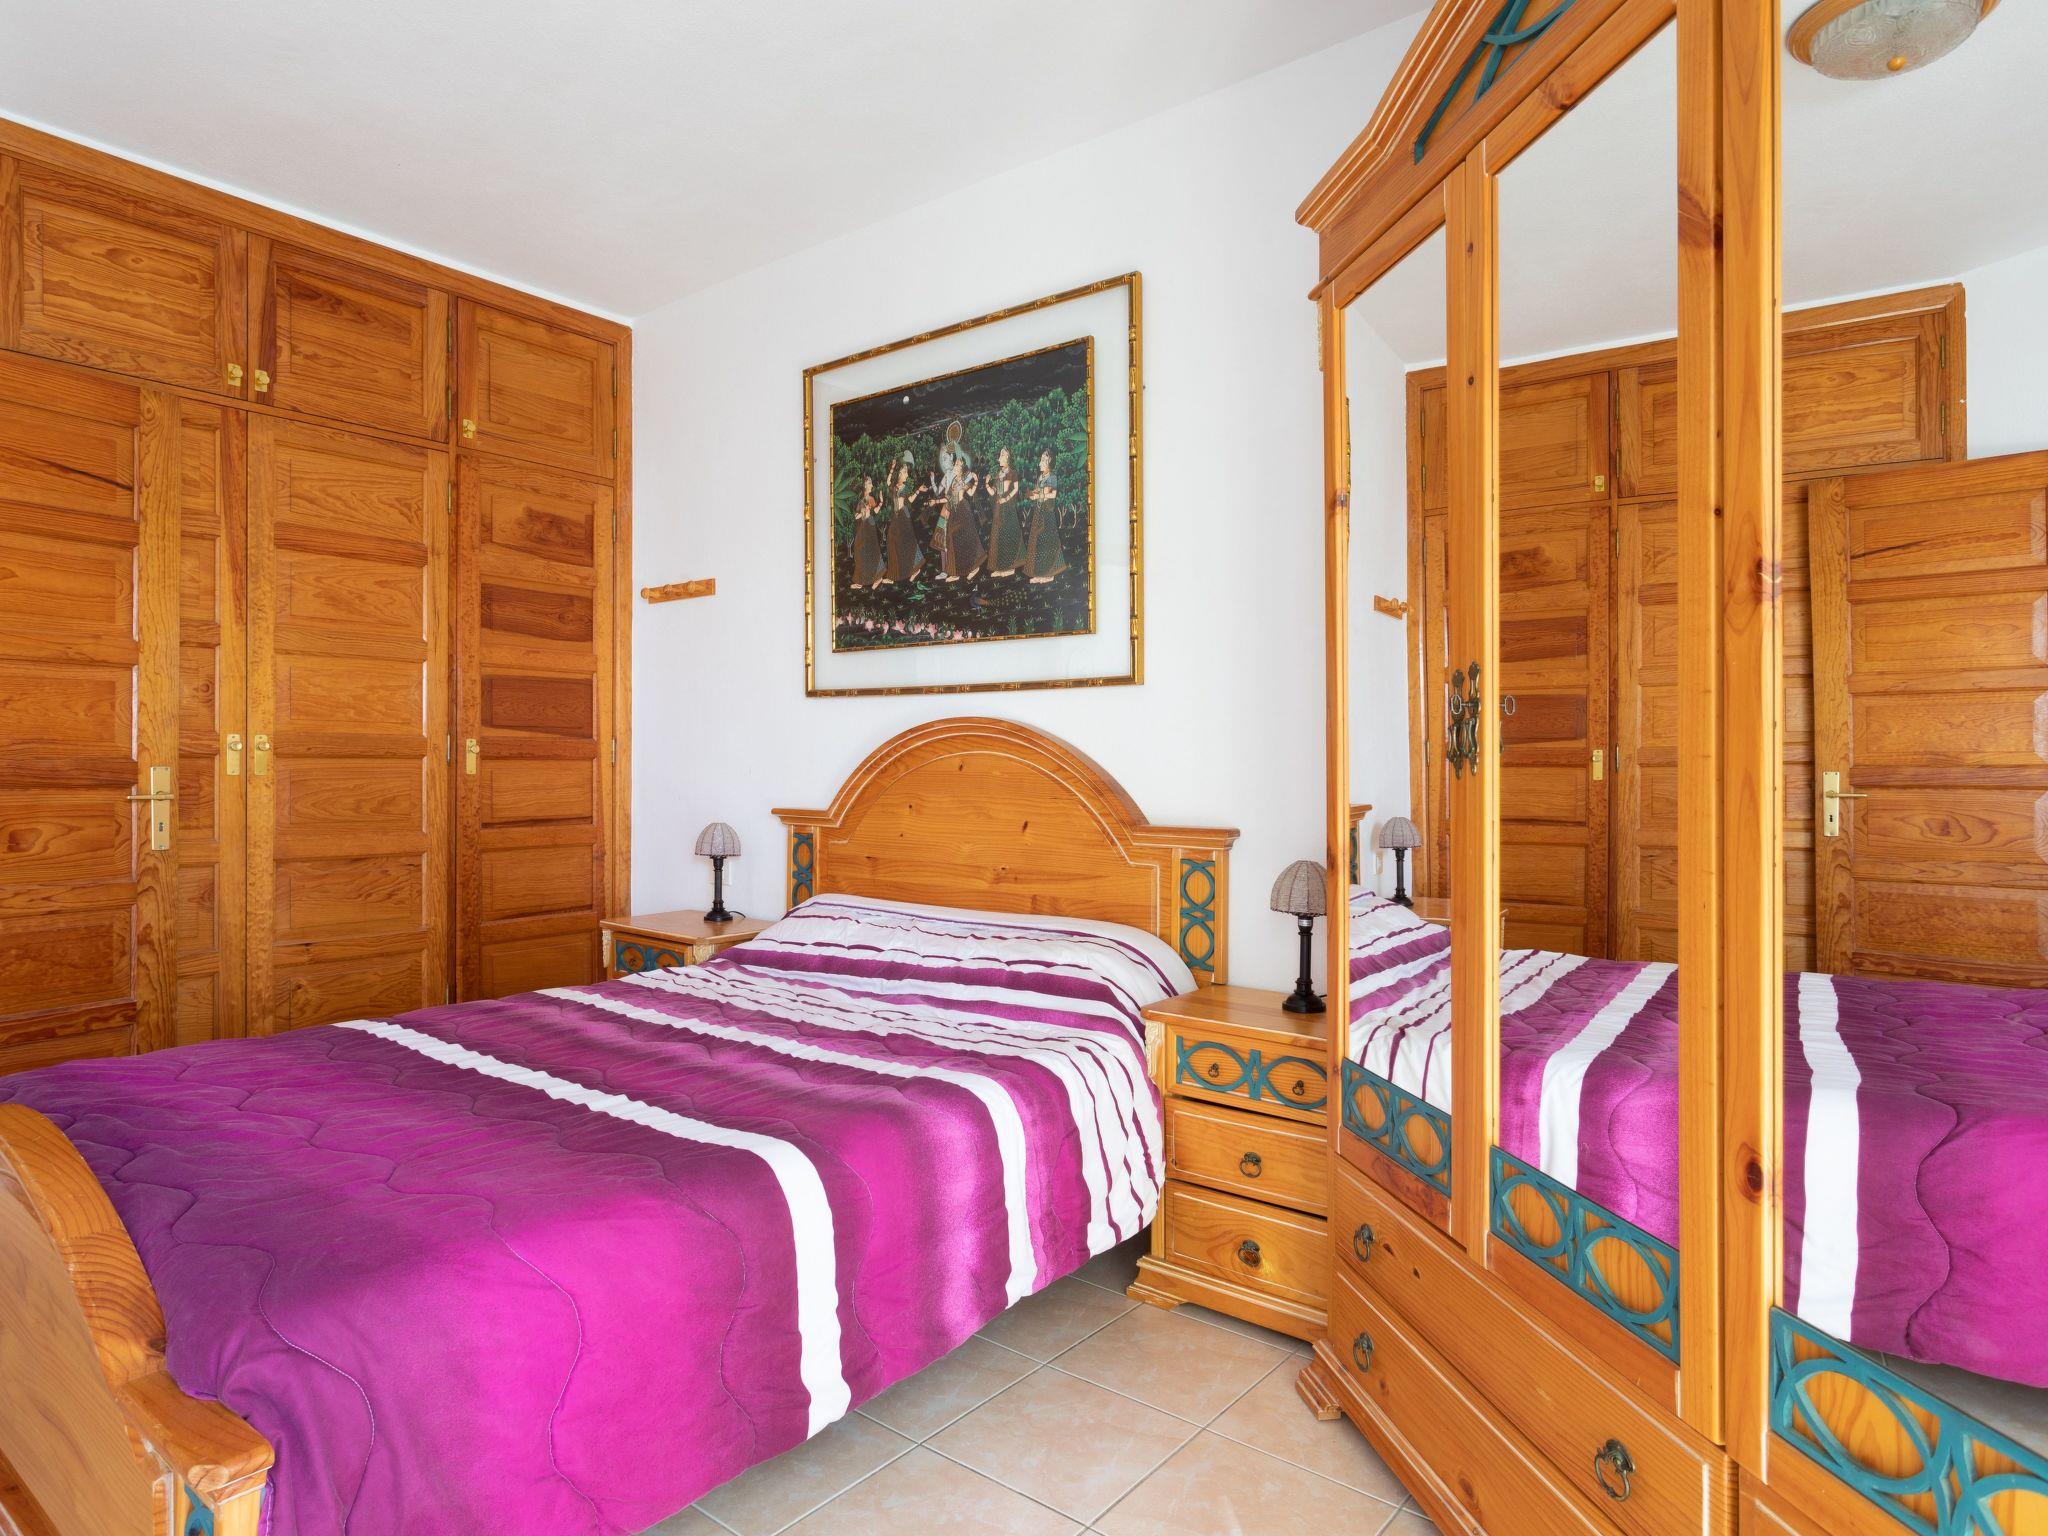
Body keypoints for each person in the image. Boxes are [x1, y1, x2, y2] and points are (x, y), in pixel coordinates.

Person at [879, 455, 924, 586]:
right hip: (896, 516)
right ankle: (893, 575)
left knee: (906, 542)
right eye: (905, 472)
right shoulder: (894, 486)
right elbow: (888, 482)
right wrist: (892, 468)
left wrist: (918, 491)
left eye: (907, 472)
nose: (907, 475)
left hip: (903, 516)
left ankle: (914, 569)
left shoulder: (905, 487)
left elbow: (910, 500)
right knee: (892, 542)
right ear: (899, 473)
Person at [1025, 449, 1067, 584]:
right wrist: (1031, 494)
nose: (1039, 463)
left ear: (1049, 462)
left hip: (1047, 513)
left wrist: (1040, 495)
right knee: (1037, 543)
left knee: (1047, 543)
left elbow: (1053, 494)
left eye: (1042, 460)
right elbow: (1037, 492)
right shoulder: (1041, 477)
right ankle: (1039, 573)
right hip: (1039, 512)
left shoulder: (1052, 477)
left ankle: (1048, 574)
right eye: (1041, 460)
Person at [986, 446, 1023, 578]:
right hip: (998, 509)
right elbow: (994, 492)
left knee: (1007, 536)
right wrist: (986, 484)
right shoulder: (998, 474)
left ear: (1007, 457)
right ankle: (1000, 567)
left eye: (1002, 455)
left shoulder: (1012, 473)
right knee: (998, 536)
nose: (999, 458)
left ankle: (1009, 567)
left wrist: (1006, 499)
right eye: (1000, 455)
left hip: (1007, 508)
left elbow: (1015, 489)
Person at [849, 474, 882, 589]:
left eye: (871, 483)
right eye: (869, 483)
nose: (871, 485)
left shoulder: (870, 499)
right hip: (862, 527)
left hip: (868, 527)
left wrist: (881, 502)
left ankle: (877, 578)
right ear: (864, 485)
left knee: (869, 551)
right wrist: (861, 513)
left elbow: (875, 511)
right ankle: (860, 580)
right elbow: (856, 516)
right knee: (859, 551)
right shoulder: (861, 500)